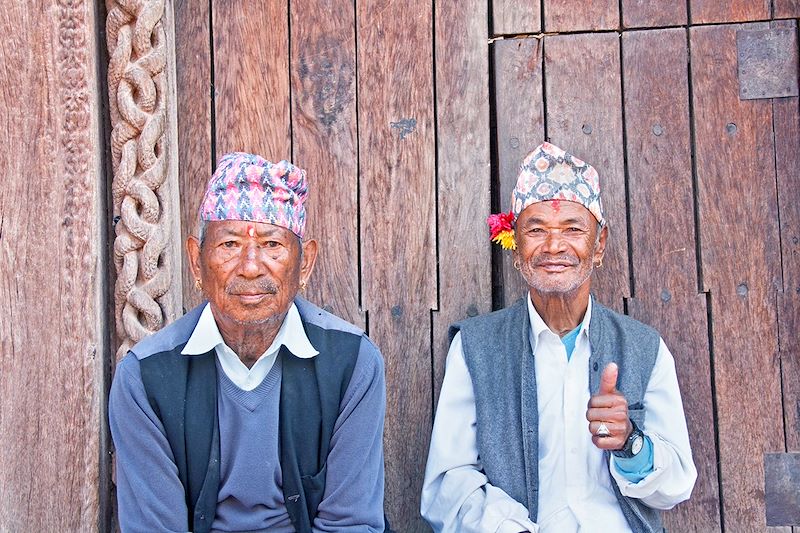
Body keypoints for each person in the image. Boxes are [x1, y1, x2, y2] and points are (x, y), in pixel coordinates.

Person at [420, 142, 697, 532]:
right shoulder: (476, 347)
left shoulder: (644, 348)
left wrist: (630, 443)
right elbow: (448, 484)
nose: (554, 246)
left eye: (573, 229)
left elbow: (676, 485)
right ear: (516, 247)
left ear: (598, 244)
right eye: (536, 230)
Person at [109, 152, 386, 533]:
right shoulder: (145, 378)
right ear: (196, 261)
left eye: (272, 244)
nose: (251, 266)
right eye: (229, 244)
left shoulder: (352, 363)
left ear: (304, 264)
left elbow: (350, 523)